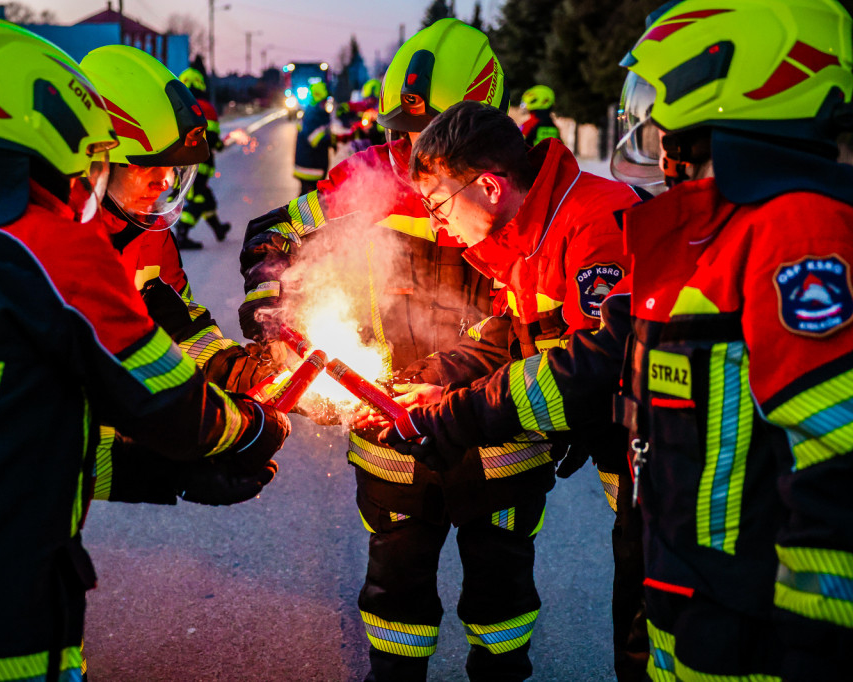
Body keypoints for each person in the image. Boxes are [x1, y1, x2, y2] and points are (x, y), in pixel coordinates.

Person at [382, 0, 853, 679]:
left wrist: (818, 650)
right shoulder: (708, 231)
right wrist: (445, 377)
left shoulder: (798, 236)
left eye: (662, 114)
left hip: (741, 608)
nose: (652, 134)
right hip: (688, 571)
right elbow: (535, 334)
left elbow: (833, 474)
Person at [0, 18, 289, 680]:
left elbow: (5, 444)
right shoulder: (50, 249)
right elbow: (171, 403)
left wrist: (169, 477)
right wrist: (248, 430)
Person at [241, 19, 553, 682]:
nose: (414, 153)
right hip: (390, 439)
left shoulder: (522, 190)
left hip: (497, 437)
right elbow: (274, 236)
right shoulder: (364, 179)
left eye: (431, 133)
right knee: (395, 593)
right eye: (402, 133)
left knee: (501, 596)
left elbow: (551, 316)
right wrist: (272, 301)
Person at [356, 99, 649, 681]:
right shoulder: (525, 230)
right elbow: (515, 333)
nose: (436, 224)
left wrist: (455, 414)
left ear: (488, 186)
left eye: (439, 204)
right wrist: (440, 374)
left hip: (651, 458)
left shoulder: (594, 221)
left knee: (648, 623)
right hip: (619, 440)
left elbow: (591, 363)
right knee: (636, 602)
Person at [80, 45, 274, 401]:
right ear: (97, 162)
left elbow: (177, 319)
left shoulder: (149, 235)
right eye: (147, 165)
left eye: (172, 167)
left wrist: (227, 366)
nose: (165, 182)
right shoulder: (54, 241)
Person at [176, 66, 231, 249]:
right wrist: (220, 145)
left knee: (207, 198)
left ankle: (218, 229)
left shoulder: (175, 107)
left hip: (179, 163)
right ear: (201, 85)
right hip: (201, 165)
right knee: (199, 199)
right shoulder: (206, 108)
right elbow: (213, 139)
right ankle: (182, 233)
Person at [293, 78, 334, 194]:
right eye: (323, 101)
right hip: (309, 169)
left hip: (312, 167)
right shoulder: (312, 116)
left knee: (307, 203)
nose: (325, 104)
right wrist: (331, 140)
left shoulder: (317, 114)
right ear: (317, 100)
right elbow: (313, 139)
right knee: (308, 206)